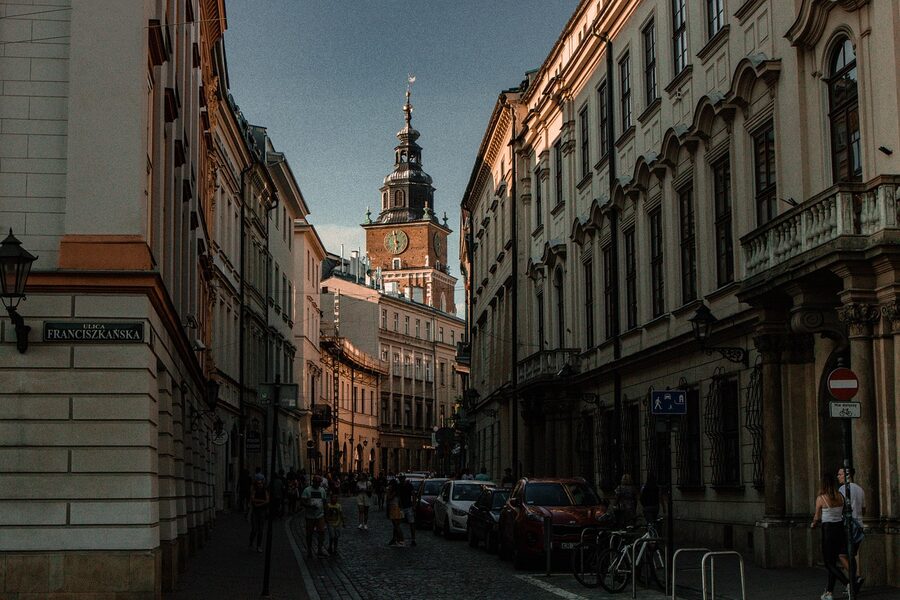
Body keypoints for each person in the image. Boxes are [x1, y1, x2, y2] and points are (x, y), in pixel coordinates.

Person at [812, 471, 856, 600]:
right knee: (833, 562)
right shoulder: (840, 496)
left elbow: (817, 517)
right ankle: (829, 593)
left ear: (823, 484)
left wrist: (813, 523)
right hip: (840, 529)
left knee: (828, 563)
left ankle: (848, 584)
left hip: (828, 530)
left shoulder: (821, 498)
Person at [838, 467, 865, 591]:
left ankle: (855, 577)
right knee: (851, 555)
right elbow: (864, 509)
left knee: (842, 555)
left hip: (848, 526)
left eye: (840, 474)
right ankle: (853, 584)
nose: (838, 476)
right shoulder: (860, 489)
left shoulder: (843, 489)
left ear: (847, 475)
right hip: (859, 526)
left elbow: (841, 507)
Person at [301, 475, 329, 557]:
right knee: (309, 533)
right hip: (309, 516)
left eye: (319, 482)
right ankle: (309, 550)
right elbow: (302, 501)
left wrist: (326, 515)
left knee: (321, 532)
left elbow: (324, 503)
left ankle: (319, 549)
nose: (317, 484)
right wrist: (309, 506)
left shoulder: (322, 490)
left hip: (320, 515)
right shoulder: (307, 490)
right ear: (313, 482)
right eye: (316, 482)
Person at [248, 473, 269, 552]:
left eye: (261, 483)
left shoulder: (265, 490)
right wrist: (262, 501)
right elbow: (253, 499)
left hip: (262, 512)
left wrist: (259, 503)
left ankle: (258, 546)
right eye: (258, 483)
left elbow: (267, 500)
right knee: (254, 529)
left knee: (261, 530)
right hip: (255, 512)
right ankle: (251, 541)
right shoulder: (254, 490)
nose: (260, 485)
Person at [397, 474, 417, 546]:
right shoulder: (399, 486)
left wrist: (414, 505)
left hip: (408, 506)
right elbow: (398, 496)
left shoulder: (409, 485)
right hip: (402, 507)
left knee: (411, 523)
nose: (401, 479)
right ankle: (400, 539)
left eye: (401, 478)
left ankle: (413, 539)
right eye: (400, 478)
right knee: (398, 524)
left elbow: (413, 495)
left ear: (404, 478)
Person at [386, 480, 404, 546]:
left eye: (390, 485)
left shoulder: (394, 492)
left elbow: (389, 498)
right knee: (395, 526)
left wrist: (387, 491)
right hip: (395, 508)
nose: (389, 486)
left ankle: (401, 540)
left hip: (395, 508)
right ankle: (395, 539)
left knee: (396, 526)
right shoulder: (396, 491)